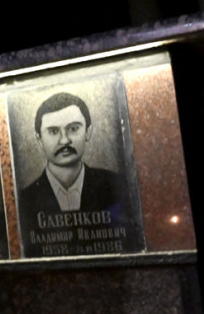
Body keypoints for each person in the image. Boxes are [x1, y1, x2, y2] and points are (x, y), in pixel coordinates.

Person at [18, 91, 128, 220]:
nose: (64, 140)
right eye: (53, 131)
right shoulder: (23, 200)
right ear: (39, 139)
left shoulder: (117, 186)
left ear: (87, 132)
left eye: (73, 129)